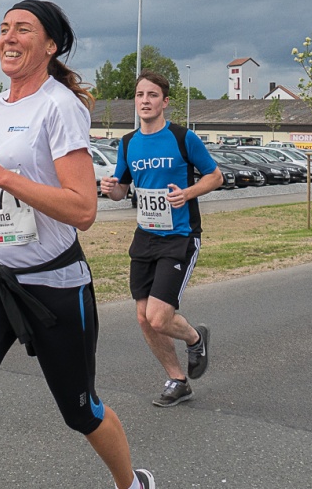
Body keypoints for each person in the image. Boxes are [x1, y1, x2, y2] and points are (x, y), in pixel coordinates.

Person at [0, 0, 155, 489]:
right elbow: (1, 187)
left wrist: (0, 176)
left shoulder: (61, 106)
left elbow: (82, 209)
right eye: (4, 28)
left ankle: (132, 484)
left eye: (23, 29)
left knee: (81, 411)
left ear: (50, 45)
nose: (8, 37)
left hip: (54, 284)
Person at [100, 70, 223, 408]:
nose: (145, 101)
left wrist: (188, 193)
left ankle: (195, 338)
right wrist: (112, 190)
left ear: (165, 102)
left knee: (158, 316)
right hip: (145, 236)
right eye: (140, 95)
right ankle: (177, 379)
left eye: (152, 95)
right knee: (143, 317)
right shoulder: (128, 143)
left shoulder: (183, 138)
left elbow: (216, 177)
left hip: (180, 236)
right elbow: (123, 190)